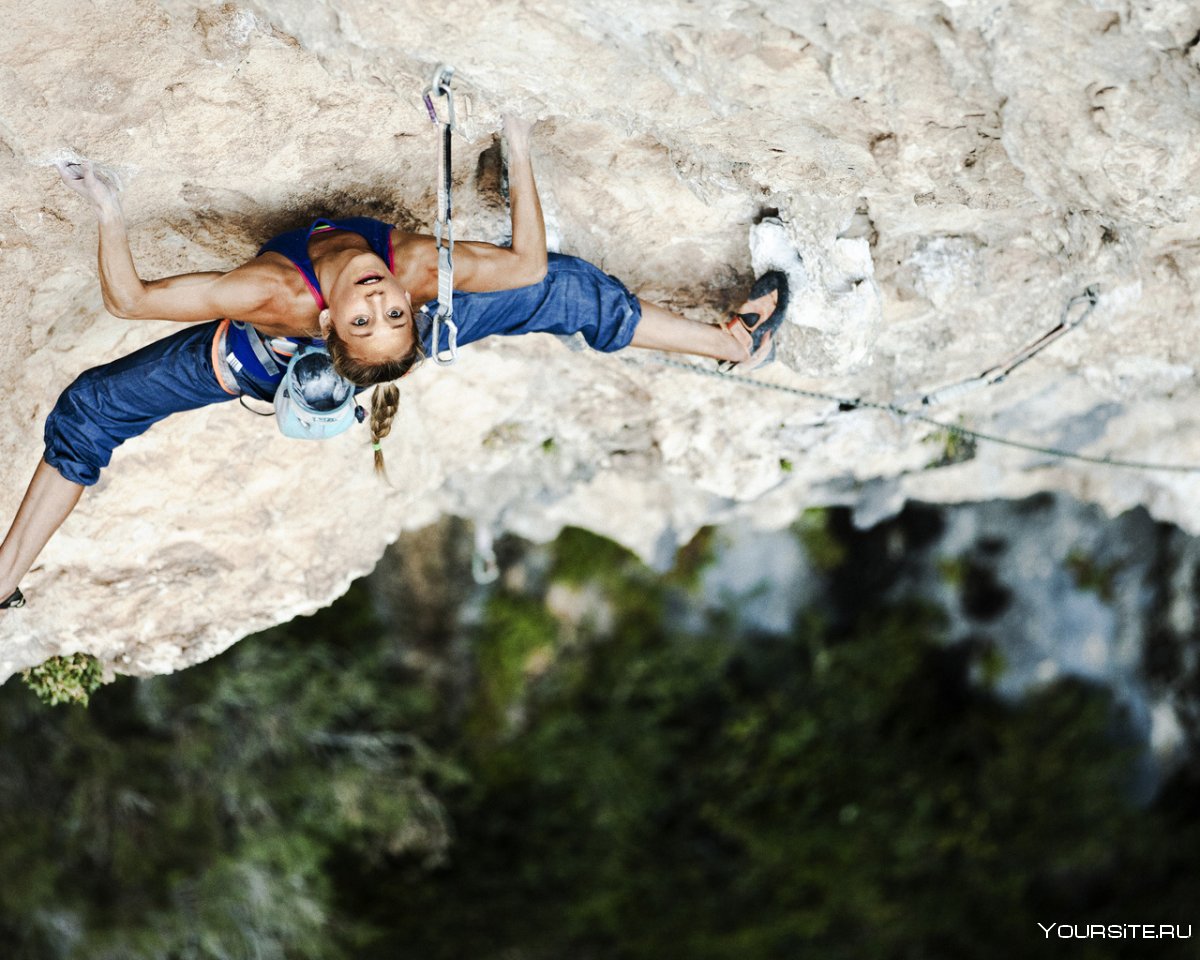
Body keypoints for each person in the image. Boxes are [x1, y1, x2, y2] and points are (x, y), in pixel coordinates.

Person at [0, 116, 787, 613]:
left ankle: (733, 346)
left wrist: (107, 207)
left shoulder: (340, 285)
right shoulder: (343, 284)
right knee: (570, 290)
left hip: (310, 353)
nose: (376, 295)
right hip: (339, 348)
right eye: (380, 312)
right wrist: (517, 140)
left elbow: (133, 300)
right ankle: (2, 582)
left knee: (573, 292)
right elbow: (522, 269)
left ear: (341, 323)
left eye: (373, 313)